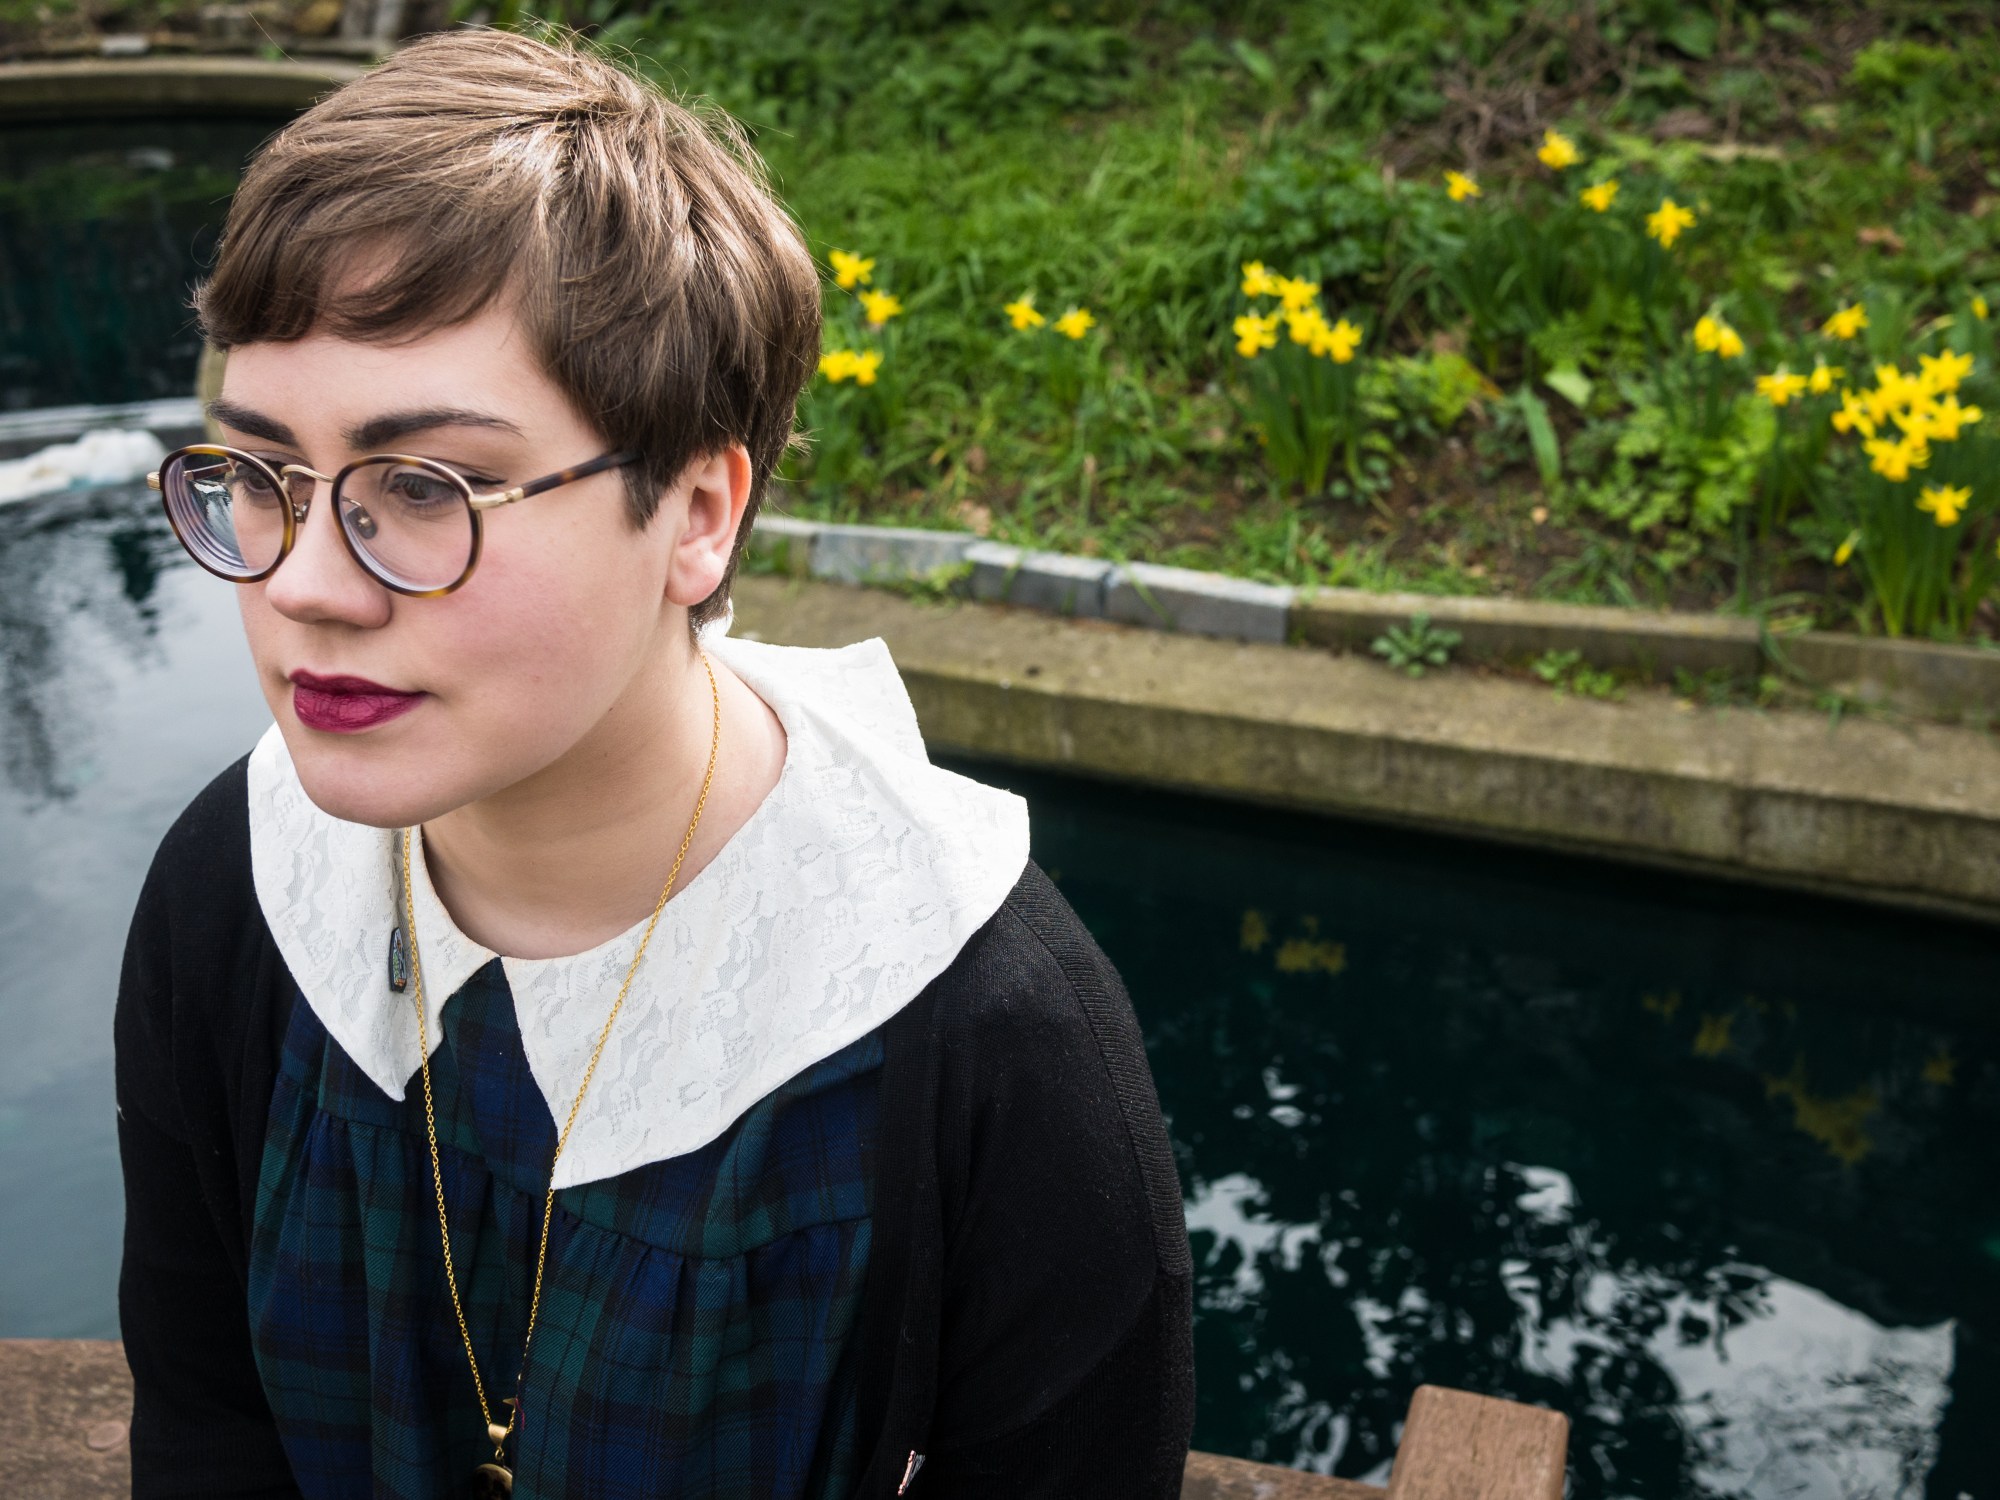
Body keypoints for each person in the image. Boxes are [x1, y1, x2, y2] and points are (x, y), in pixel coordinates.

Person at [112, 26, 1194, 1500]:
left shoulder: (990, 1042)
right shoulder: (236, 890)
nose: (302, 583)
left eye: (422, 485)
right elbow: (207, 1433)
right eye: (261, 474)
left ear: (696, 514)